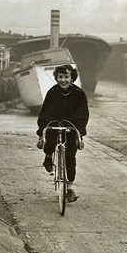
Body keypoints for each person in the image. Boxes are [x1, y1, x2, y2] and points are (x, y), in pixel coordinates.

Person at [36, 64, 89, 202]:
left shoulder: (79, 94)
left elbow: (83, 115)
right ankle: (48, 156)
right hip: (54, 124)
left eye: (66, 77)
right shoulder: (52, 93)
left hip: (72, 127)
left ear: (72, 78)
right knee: (50, 141)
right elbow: (45, 113)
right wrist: (42, 131)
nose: (63, 80)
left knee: (70, 158)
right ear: (56, 78)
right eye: (60, 77)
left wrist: (80, 132)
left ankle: (69, 188)